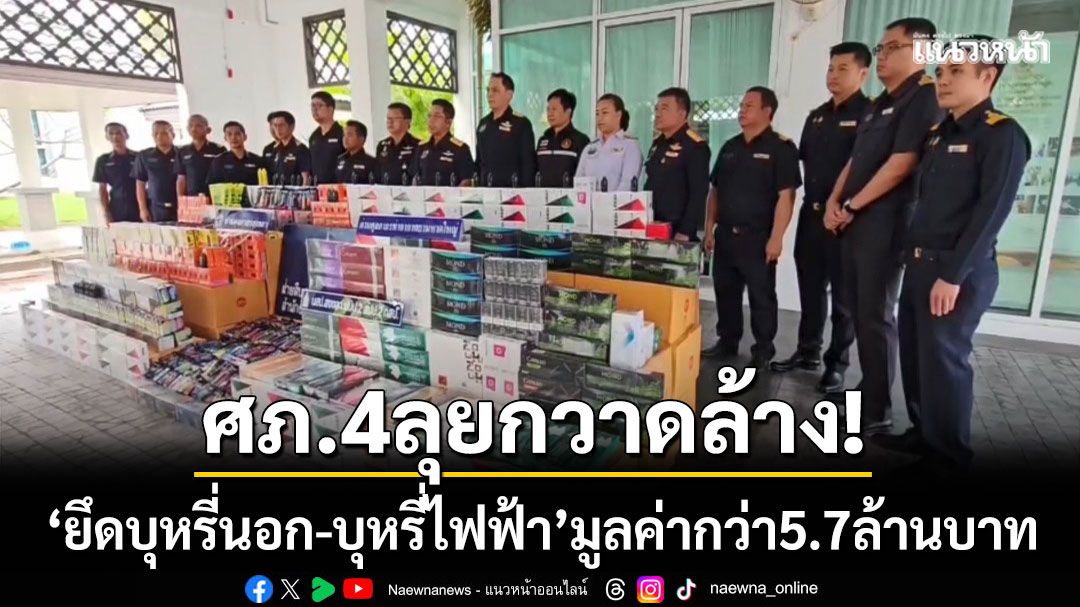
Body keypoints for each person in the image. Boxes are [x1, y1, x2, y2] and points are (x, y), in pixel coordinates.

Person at [879, 35, 1030, 475]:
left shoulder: (1001, 135)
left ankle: (948, 455)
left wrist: (954, 274)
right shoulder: (939, 134)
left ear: (988, 76)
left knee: (944, 362)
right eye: (942, 71)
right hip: (920, 265)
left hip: (954, 271)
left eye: (957, 72)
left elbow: (990, 214)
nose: (943, 80)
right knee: (917, 356)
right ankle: (924, 433)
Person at [823, 18, 944, 435]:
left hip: (884, 224)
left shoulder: (924, 97)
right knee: (859, 311)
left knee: (875, 315)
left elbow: (902, 163)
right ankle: (867, 390)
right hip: (854, 221)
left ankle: (877, 409)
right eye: (881, 49)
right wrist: (835, 201)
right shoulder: (879, 103)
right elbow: (856, 161)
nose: (883, 56)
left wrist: (851, 204)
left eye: (893, 47)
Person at [771, 42, 872, 393]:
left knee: (844, 298)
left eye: (843, 69)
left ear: (863, 73)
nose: (833, 75)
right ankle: (807, 351)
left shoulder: (870, 115)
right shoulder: (816, 116)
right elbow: (807, 163)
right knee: (810, 289)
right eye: (831, 68)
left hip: (846, 221)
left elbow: (865, 168)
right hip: (812, 216)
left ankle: (837, 364)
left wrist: (847, 208)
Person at [701, 87, 801, 368]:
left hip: (758, 238)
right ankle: (727, 340)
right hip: (726, 234)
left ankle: (763, 348)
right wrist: (709, 228)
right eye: (742, 105)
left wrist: (777, 238)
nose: (742, 110)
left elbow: (786, 196)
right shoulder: (730, 147)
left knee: (761, 295)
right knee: (725, 291)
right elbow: (715, 191)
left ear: (767, 111)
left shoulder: (781, 148)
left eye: (749, 106)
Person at [644, 87, 710, 241]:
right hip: (654, 227)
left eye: (664, 109)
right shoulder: (658, 144)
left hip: (678, 231)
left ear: (682, 114)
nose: (658, 114)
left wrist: (686, 231)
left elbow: (699, 193)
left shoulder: (695, 146)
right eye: (657, 109)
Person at [475, 72, 536, 187]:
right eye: (488, 90)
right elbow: (479, 162)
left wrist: (525, 192)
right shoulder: (483, 124)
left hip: (512, 192)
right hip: (486, 191)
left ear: (509, 95)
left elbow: (528, 164)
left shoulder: (521, 123)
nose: (490, 94)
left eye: (495, 90)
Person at [576, 93, 643, 192]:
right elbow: (579, 181)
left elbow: (627, 184)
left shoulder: (630, 145)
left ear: (618, 115)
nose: (600, 118)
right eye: (597, 114)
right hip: (589, 201)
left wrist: (607, 201)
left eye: (605, 113)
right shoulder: (590, 148)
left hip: (617, 201)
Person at [410, 99, 475, 186]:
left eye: (436, 116)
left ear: (448, 122)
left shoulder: (460, 149)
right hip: (423, 194)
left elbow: (466, 181)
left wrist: (453, 195)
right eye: (429, 116)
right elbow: (415, 177)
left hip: (449, 194)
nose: (431, 120)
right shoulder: (422, 147)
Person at [536, 89, 590, 187]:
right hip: (542, 195)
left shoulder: (581, 140)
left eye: (554, 109)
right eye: (548, 109)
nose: (550, 113)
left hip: (569, 196)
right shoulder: (543, 140)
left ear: (568, 112)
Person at [91, 122, 140, 223]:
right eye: (111, 133)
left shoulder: (138, 157)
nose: (115, 136)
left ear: (126, 135)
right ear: (107, 137)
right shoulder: (103, 160)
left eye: (118, 133)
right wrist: (106, 212)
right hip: (117, 207)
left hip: (139, 205)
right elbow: (102, 189)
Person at [133, 120, 179, 222]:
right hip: (156, 208)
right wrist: (142, 209)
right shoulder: (144, 155)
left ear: (173, 135)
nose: (159, 136)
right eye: (156, 133)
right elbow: (140, 184)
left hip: (180, 206)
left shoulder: (181, 154)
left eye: (164, 133)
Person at [175, 114, 225, 199]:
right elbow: (181, 178)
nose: (193, 129)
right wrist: (180, 199)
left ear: (208, 130)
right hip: (192, 199)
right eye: (190, 125)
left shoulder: (218, 149)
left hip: (214, 197)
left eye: (198, 126)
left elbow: (224, 176)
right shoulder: (182, 151)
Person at [208, 121, 266, 186]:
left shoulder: (257, 160)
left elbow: (265, 185)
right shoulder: (219, 161)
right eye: (229, 134)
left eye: (237, 134)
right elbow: (211, 186)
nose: (233, 137)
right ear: (225, 138)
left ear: (245, 137)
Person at [376, 102, 420, 185]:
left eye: (395, 118)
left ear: (407, 121)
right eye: (388, 118)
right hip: (384, 191)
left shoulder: (418, 146)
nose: (390, 122)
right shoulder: (382, 145)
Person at [263, 111, 312, 185]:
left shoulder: (300, 149)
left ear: (291, 127)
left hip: (294, 190)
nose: (278, 129)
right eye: (275, 125)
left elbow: (306, 178)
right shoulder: (275, 149)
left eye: (281, 125)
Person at [309, 91, 345, 184]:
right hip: (318, 187)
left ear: (330, 109)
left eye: (319, 105)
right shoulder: (314, 136)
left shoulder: (342, 133)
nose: (315, 109)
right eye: (312, 106)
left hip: (338, 186)